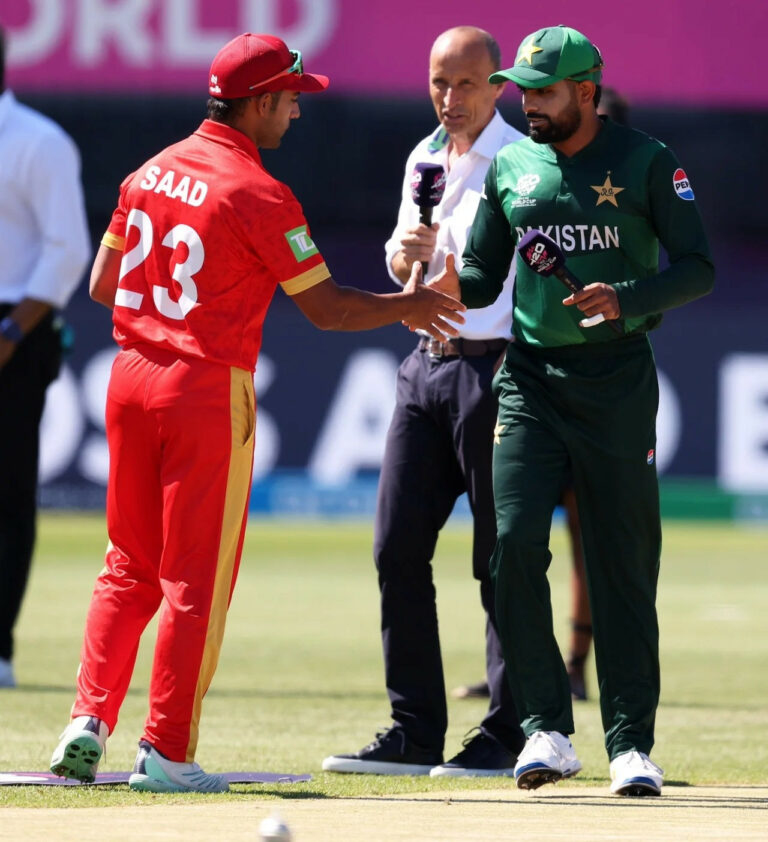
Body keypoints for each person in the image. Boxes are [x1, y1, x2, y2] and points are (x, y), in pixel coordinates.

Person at [48, 32, 465, 793]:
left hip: (129, 379)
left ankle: (87, 718)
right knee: (193, 579)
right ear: (260, 100)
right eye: (292, 100)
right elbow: (331, 312)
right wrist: (412, 304)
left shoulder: (150, 169)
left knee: (126, 566)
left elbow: (106, 284)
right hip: (203, 388)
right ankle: (167, 753)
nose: (297, 116)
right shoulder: (258, 193)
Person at [428, 25, 714, 796]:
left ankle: (629, 743)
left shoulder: (648, 162)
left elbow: (698, 267)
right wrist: (432, 276)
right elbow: (485, 276)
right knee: (511, 548)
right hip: (530, 382)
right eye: (521, 90)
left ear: (587, 90)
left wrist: (626, 300)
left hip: (616, 383)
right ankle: (546, 731)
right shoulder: (513, 164)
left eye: (543, 91)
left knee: (623, 565)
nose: (527, 104)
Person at [322, 26, 526, 779]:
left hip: (495, 368)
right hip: (424, 366)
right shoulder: (425, 157)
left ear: (498, 85)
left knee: (501, 559)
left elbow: (513, 277)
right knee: (395, 547)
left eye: (467, 84)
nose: (451, 99)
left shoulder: (519, 162)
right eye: (439, 83)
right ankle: (415, 732)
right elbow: (406, 247)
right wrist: (401, 256)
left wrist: (441, 279)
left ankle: (510, 733)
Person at [0, 26, 90, 690]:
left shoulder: (38, 141)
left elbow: (66, 250)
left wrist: (9, 333)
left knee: (6, 493)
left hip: (15, 326)